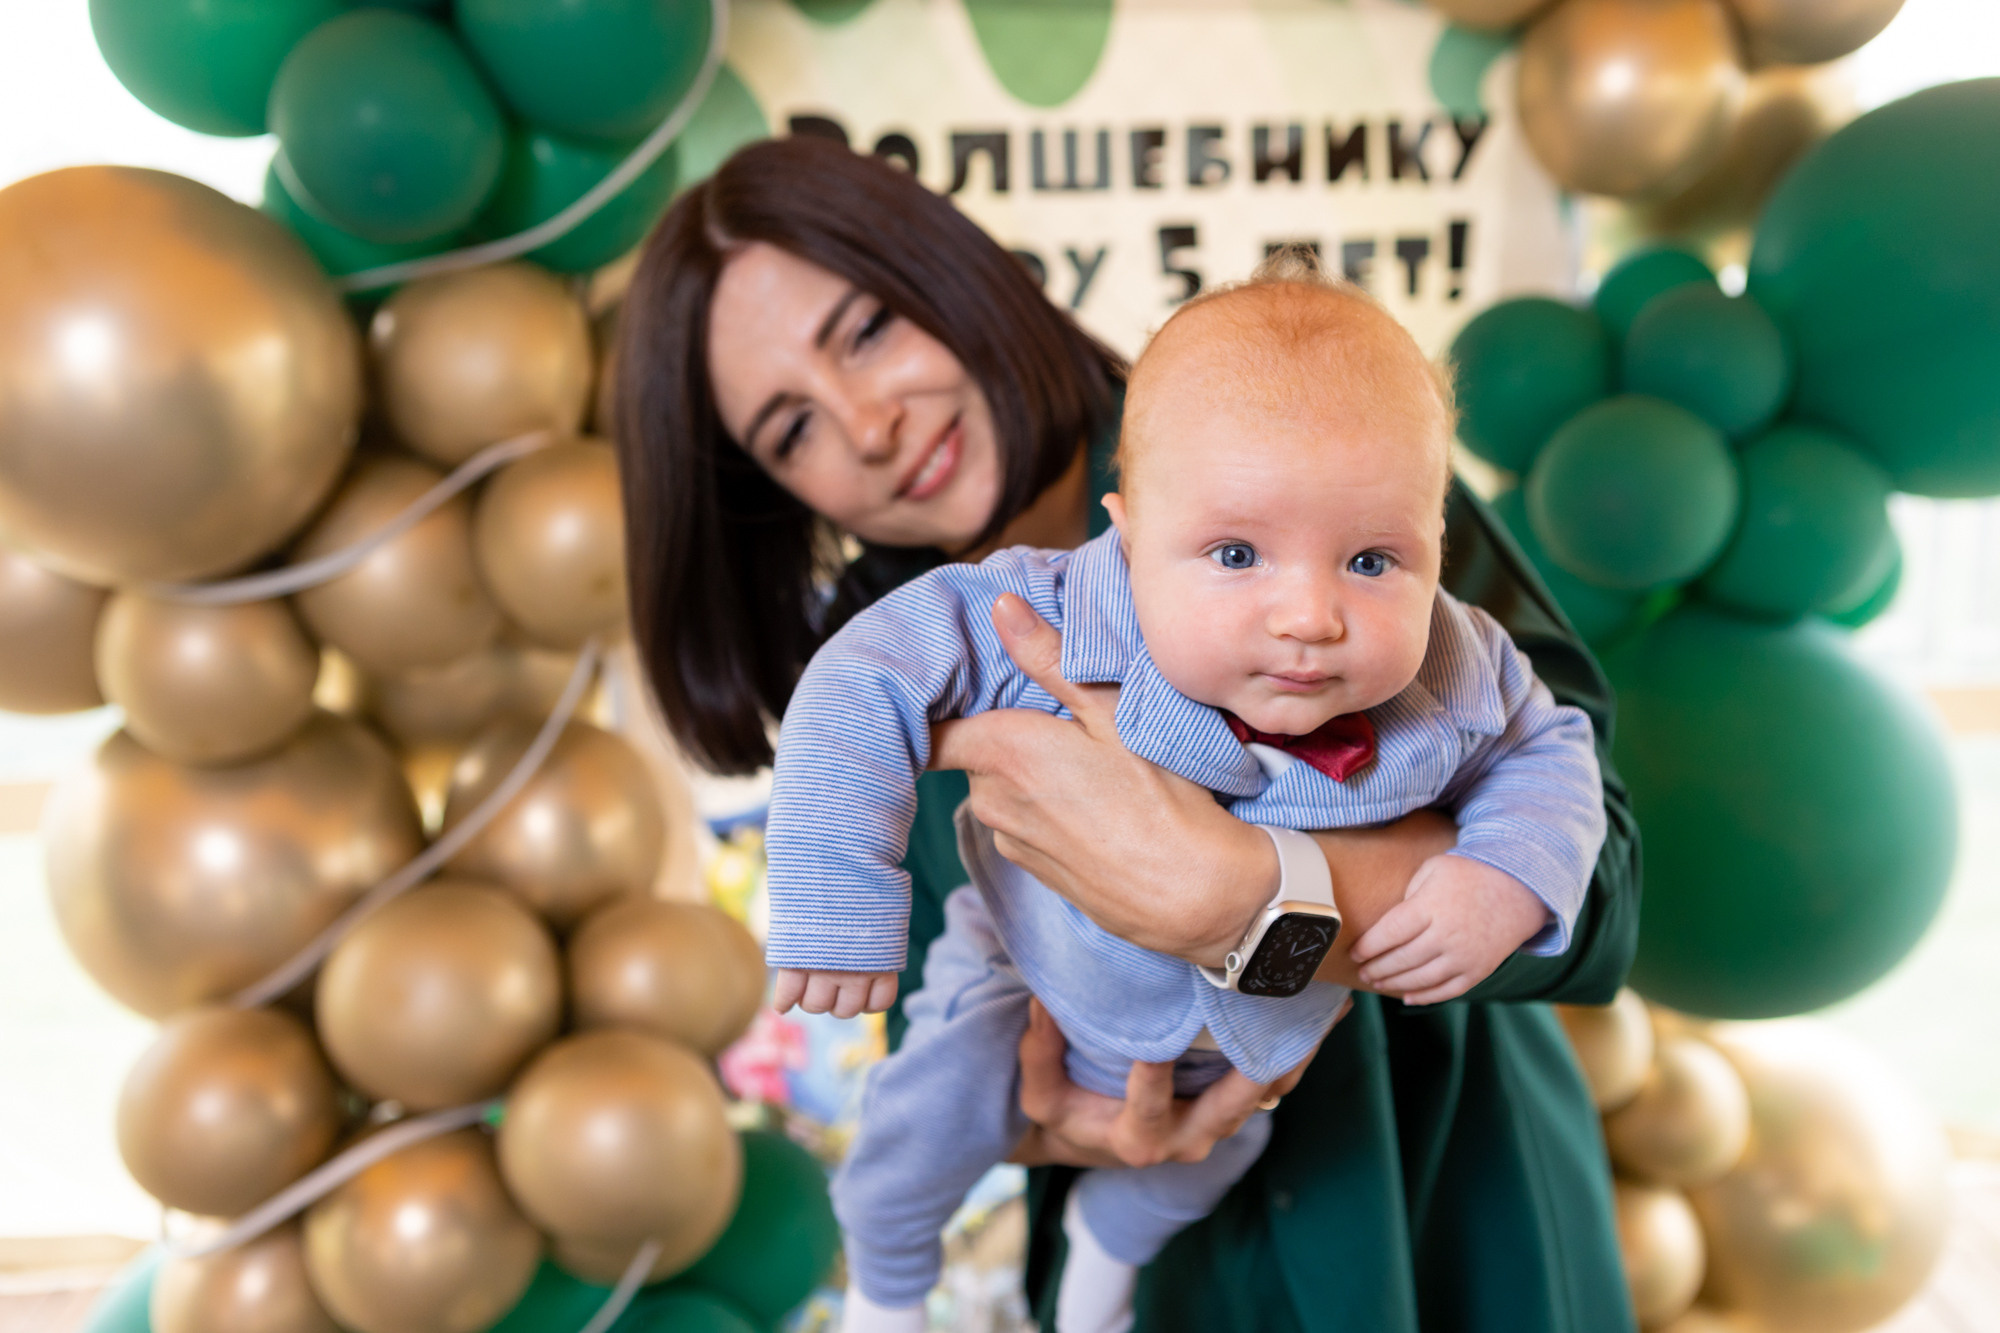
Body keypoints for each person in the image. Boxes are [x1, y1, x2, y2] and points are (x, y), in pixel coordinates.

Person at [615, 136, 1641, 1333]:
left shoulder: (1307, 428)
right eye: (791, 428)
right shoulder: (891, 667)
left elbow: (1602, 875)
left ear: (952, 269)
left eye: (867, 332)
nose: (868, 423)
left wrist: (1245, 894)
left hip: (1444, 1199)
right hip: (1161, 1258)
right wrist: (1056, 1125)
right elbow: (944, 1028)